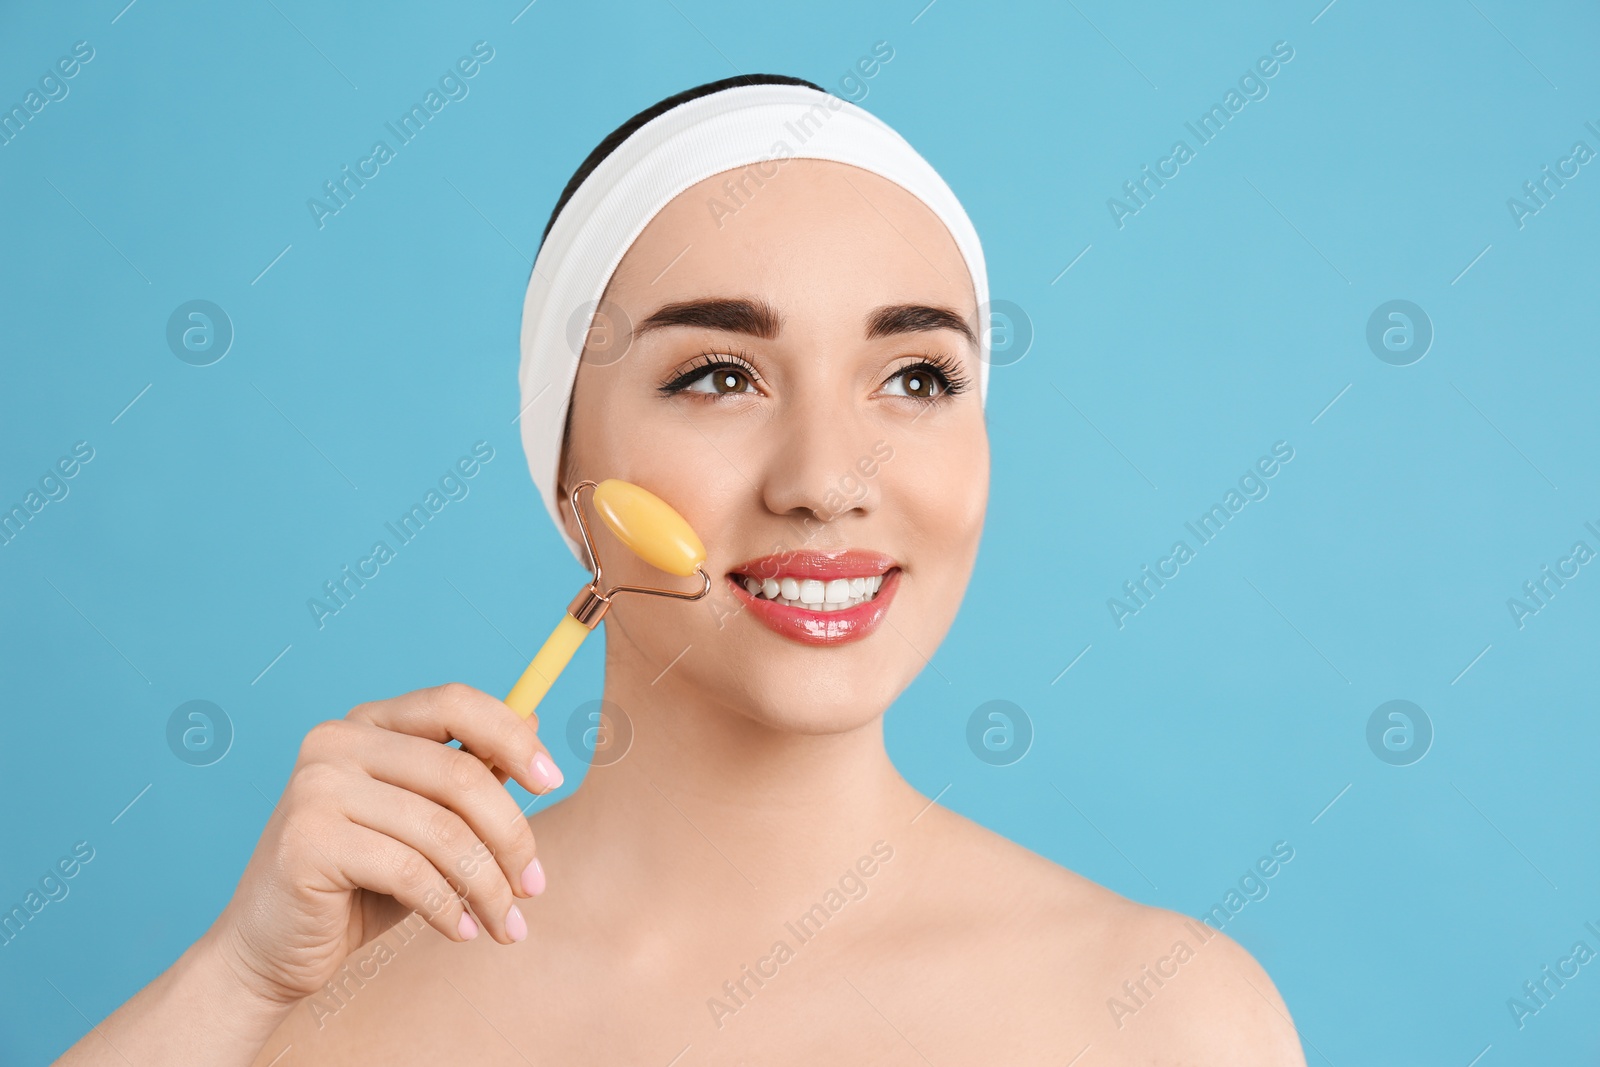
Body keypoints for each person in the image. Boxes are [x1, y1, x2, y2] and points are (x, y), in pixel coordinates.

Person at [56, 75, 1305, 1066]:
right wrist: (235, 984)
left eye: (915, 377)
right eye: (718, 375)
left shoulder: (1171, 1018)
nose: (826, 476)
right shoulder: (308, 1005)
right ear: (564, 471)